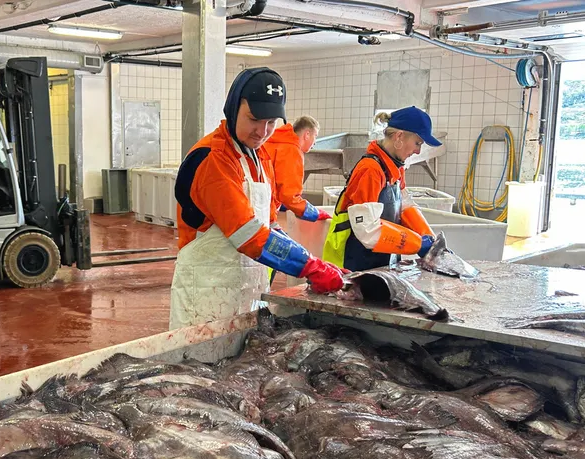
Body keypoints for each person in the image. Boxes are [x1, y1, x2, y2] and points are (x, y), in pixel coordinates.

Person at [170, 68, 346, 330]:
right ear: (232, 108)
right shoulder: (213, 158)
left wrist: (312, 259)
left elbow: (270, 225)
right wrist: (309, 267)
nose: (262, 131)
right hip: (206, 294)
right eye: (254, 119)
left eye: (271, 122)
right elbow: (249, 234)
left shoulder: (259, 156)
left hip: (247, 289)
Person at [322, 106, 440, 272]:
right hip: (351, 266)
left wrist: (429, 238)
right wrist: (418, 244)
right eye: (417, 143)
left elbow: (404, 205)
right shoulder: (370, 170)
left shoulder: (395, 168)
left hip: (380, 261)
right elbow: (366, 230)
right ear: (399, 136)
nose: (418, 151)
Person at [264, 115, 332, 222]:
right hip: (265, 210)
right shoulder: (292, 150)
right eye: (316, 136)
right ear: (307, 135)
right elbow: (289, 196)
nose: (315, 142)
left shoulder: (271, 141)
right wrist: (314, 213)